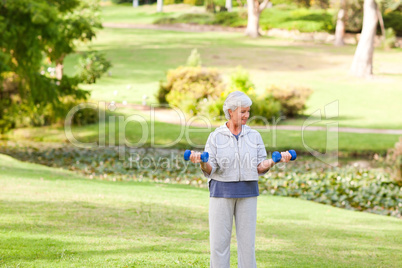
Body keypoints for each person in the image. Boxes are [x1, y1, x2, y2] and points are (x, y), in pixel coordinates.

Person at [190, 91, 292, 268]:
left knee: (247, 245)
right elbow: (210, 169)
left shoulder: (254, 136)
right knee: (219, 244)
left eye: (248, 111)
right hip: (221, 192)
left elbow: (260, 166)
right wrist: (202, 162)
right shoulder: (216, 136)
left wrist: (275, 161)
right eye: (243, 111)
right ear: (231, 111)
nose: (247, 115)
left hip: (248, 193)